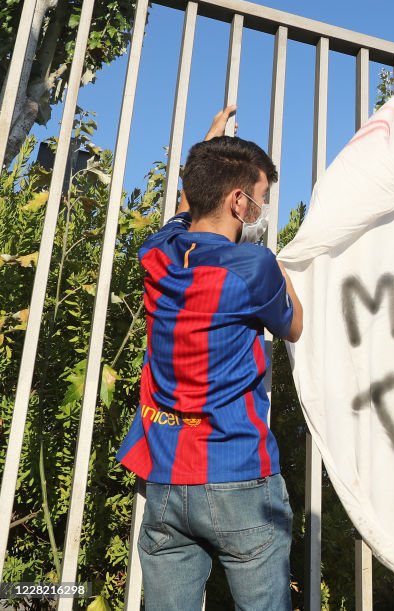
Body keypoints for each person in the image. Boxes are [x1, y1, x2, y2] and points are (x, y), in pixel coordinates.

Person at [116, 106, 303, 611]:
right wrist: (278, 265)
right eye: (260, 201)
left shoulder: (158, 255)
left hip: (165, 477)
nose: (261, 212)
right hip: (237, 470)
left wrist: (206, 148)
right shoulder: (253, 266)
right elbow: (295, 325)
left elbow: (187, 212)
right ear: (238, 201)